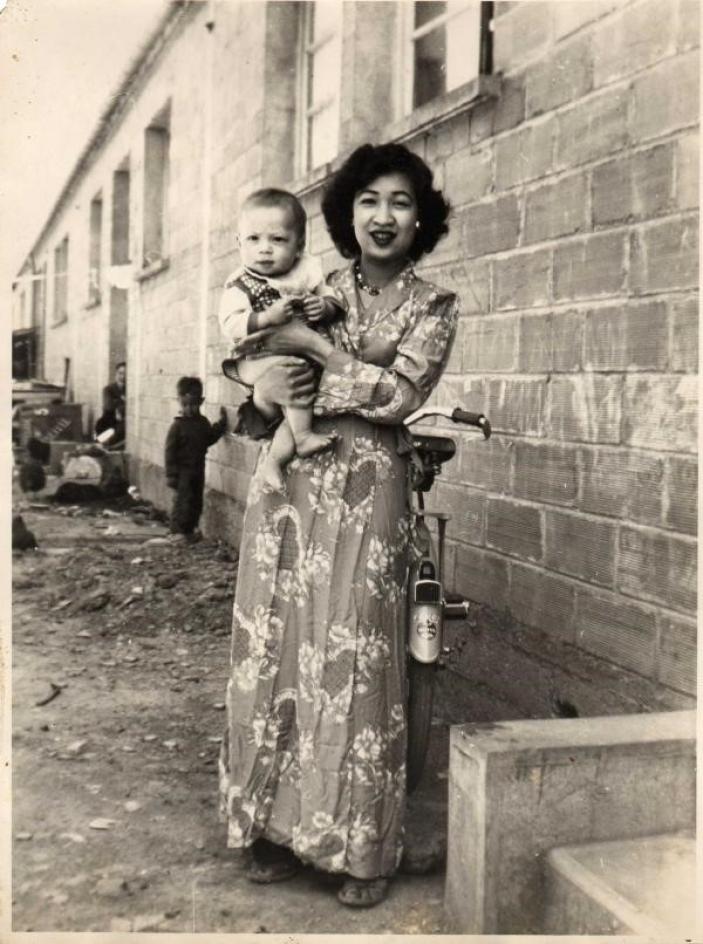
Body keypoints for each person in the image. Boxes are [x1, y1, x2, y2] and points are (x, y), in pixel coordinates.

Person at [218, 143, 458, 908]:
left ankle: (360, 847)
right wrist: (263, 388)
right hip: (291, 484)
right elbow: (251, 381)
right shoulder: (307, 288)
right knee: (278, 641)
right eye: (366, 201)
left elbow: (394, 398)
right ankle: (272, 827)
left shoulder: (434, 306)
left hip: (369, 488)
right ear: (345, 214)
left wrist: (320, 356)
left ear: (419, 218)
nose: (381, 216)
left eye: (397, 202)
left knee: (355, 654)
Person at [218, 188, 345, 491]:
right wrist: (264, 318)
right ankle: (298, 441)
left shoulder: (306, 271)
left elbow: (330, 295)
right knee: (294, 396)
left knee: (300, 402)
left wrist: (324, 306)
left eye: (277, 240)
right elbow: (230, 323)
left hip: (300, 360)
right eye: (254, 239)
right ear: (239, 243)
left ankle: (277, 458)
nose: (265, 249)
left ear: (299, 245)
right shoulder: (240, 284)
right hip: (262, 356)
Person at [164, 376, 227, 544]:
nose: (189, 409)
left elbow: (209, 438)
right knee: (182, 502)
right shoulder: (177, 427)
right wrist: (171, 475)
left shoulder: (202, 423)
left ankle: (190, 530)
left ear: (201, 401)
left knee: (196, 501)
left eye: (193, 404)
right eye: (185, 405)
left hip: (198, 470)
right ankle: (177, 532)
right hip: (183, 472)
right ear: (179, 402)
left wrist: (221, 425)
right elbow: (169, 452)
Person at [95, 361, 126, 448]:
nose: (123, 377)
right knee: (101, 440)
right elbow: (108, 406)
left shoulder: (129, 390)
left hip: (121, 424)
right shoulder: (108, 389)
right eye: (120, 373)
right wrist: (123, 401)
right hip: (108, 423)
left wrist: (119, 406)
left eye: (125, 374)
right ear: (116, 374)